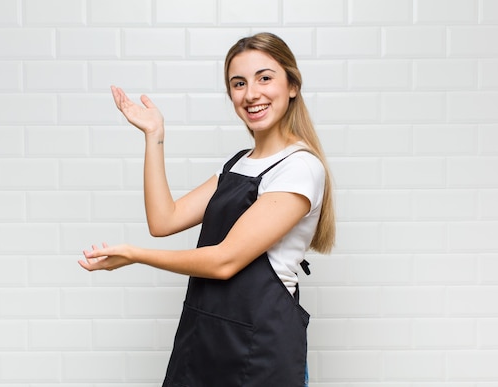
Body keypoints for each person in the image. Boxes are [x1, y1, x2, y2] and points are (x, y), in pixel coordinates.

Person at [79, 32, 335, 387]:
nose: (251, 94)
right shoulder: (237, 166)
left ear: (292, 85)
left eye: (265, 78)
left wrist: (135, 254)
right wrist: (154, 135)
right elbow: (163, 220)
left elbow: (224, 261)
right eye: (239, 83)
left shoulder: (299, 168)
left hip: (261, 355)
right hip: (204, 342)